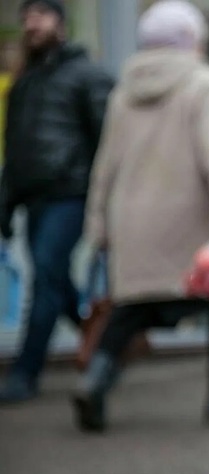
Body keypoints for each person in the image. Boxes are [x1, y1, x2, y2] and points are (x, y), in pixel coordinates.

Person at [73, 0, 209, 433]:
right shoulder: (204, 84)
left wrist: (98, 227)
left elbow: (105, 167)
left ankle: (95, 380)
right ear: (191, 39)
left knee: (130, 311)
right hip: (188, 222)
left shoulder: (123, 93)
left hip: (133, 223)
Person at [0, 0, 114, 403]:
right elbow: (15, 150)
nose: (32, 23)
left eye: (41, 15)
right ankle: (103, 343)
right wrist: (7, 202)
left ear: (61, 24)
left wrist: (108, 201)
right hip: (34, 198)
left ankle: (25, 374)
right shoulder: (24, 84)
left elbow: (109, 141)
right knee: (55, 280)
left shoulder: (87, 75)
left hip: (72, 192)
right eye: (26, 17)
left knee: (46, 276)